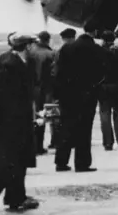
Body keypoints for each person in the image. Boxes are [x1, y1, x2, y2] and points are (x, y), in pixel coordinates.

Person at [0, 34, 40, 212]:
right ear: (27, 46)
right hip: (10, 120)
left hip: (23, 118)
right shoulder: (9, 64)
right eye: (34, 44)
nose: (36, 48)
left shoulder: (25, 62)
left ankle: (16, 198)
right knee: (11, 161)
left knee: (21, 160)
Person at [53, 23, 104, 172]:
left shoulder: (67, 48)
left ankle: (61, 162)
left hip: (67, 95)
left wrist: (58, 93)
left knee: (66, 126)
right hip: (87, 94)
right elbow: (102, 71)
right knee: (84, 129)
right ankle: (82, 163)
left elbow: (58, 73)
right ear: (94, 31)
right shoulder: (96, 49)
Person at [47, 28, 76, 149]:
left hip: (62, 89)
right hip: (75, 89)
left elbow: (55, 72)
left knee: (57, 117)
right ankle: (72, 139)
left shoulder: (59, 52)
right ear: (73, 37)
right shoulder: (77, 51)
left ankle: (57, 140)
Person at [30, 31, 53, 155]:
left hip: (31, 89)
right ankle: (39, 145)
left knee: (32, 118)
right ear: (48, 40)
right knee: (43, 117)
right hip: (45, 90)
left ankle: (32, 146)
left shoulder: (30, 53)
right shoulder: (50, 54)